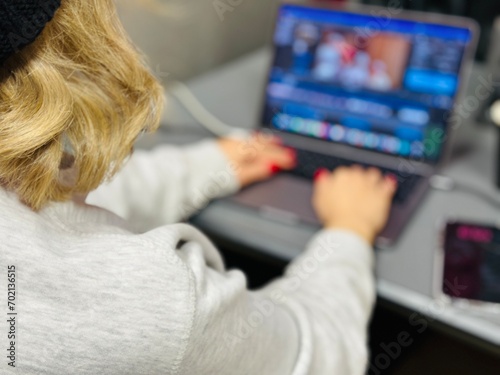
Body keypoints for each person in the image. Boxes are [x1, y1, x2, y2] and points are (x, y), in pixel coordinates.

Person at [0, 1, 397, 374]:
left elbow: (43, 207)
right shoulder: (148, 304)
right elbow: (317, 354)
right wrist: (349, 231)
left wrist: (211, 166)